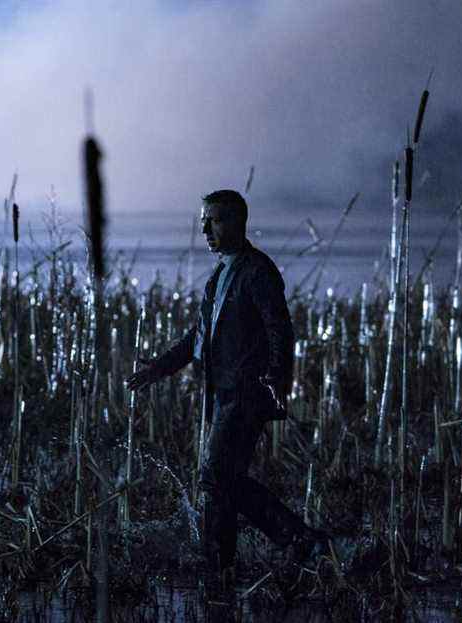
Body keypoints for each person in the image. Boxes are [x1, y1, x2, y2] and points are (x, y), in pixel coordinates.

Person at [124, 190, 329, 594]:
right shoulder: (221, 274)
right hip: (221, 393)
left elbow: (279, 329)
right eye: (203, 221)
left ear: (236, 222)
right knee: (223, 480)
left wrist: (277, 377)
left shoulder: (257, 271)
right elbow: (198, 336)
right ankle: (223, 565)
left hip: (245, 394)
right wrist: (159, 368)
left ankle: (291, 541)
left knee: (216, 477)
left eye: (214, 220)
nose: (205, 229)